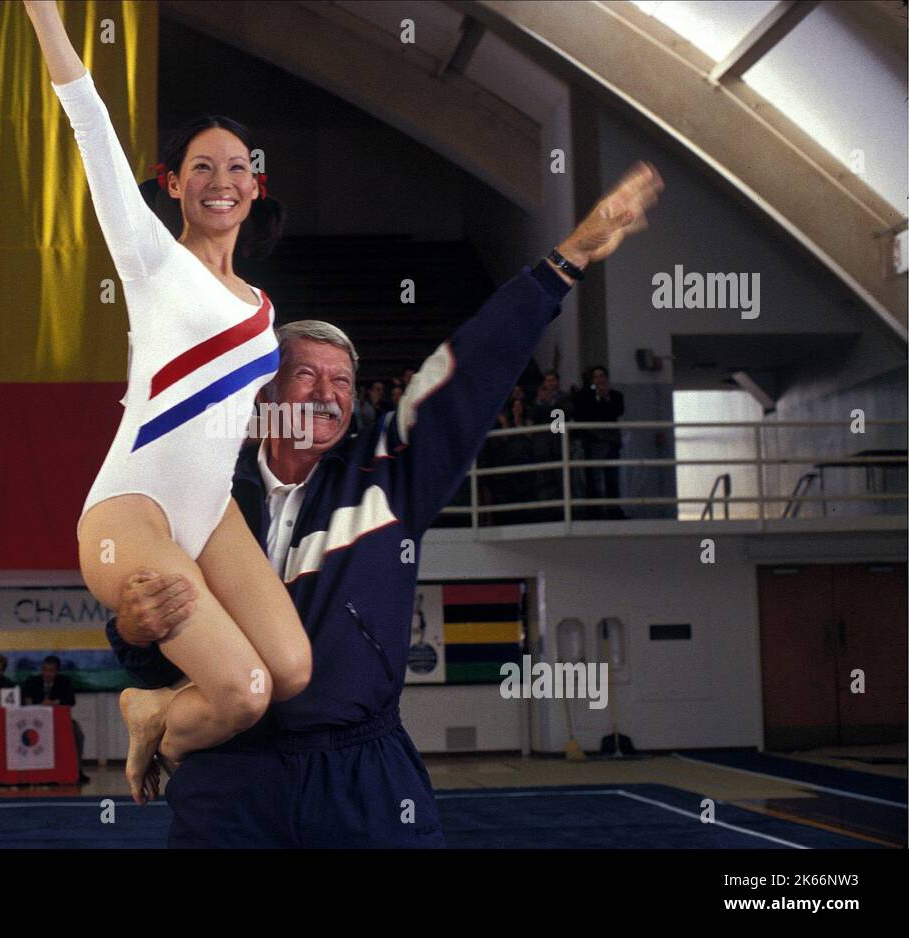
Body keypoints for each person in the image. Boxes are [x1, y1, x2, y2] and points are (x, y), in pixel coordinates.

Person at [105, 160, 663, 846]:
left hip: (363, 779)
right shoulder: (196, 495)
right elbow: (156, 645)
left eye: (342, 381)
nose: (328, 393)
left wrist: (568, 258)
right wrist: (129, 630)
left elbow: (470, 367)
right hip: (228, 782)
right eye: (305, 375)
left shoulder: (390, 478)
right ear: (264, 394)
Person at [26, 0, 310, 805]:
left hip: (210, 511)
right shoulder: (152, 258)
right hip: (132, 513)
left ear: (256, 186)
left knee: (290, 671)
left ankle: (156, 702)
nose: (220, 181)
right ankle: (150, 708)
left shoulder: (261, 306)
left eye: (235, 168)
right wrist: (46, 14)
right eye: (202, 168)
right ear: (173, 183)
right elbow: (87, 117)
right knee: (243, 693)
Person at [23, 655, 88, 783]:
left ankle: (76, 770)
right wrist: (41, 703)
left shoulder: (64, 681)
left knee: (78, 734)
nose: (47, 673)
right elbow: (26, 700)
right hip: (36, 723)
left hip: (59, 722)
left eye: (51, 670)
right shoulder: (32, 681)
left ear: (56, 671)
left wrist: (55, 702)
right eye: (44, 669)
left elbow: (71, 700)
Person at [572, 365, 626, 518]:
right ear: (592, 379)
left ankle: (614, 510)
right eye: (596, 376)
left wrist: (605, 398)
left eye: (602, 376)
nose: (599, 379)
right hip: (592, 440)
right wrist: (598, 399)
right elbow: (583, 415)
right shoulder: (584, 396)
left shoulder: (616, 395)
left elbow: (617, 411)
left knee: (612, 476)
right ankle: (594, 511)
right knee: (592, 476)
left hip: (610, 441)